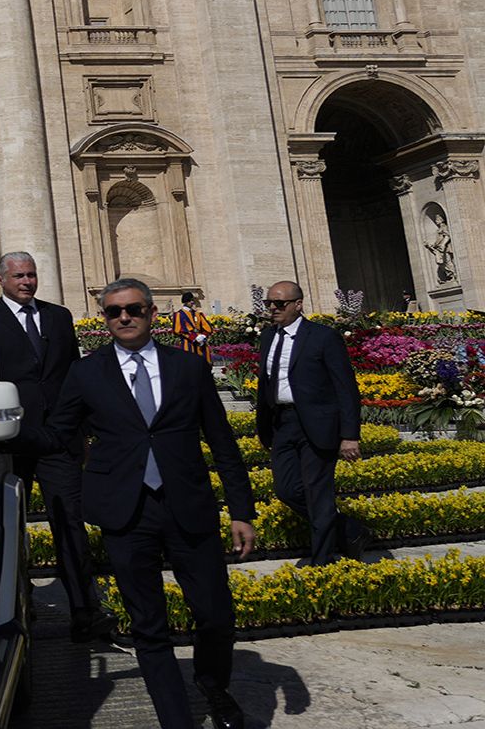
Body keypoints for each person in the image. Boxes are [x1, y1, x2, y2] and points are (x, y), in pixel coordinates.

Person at [45, 278, 257, 729]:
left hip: (187, 505)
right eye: (114, 311)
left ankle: (211, 683)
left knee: (216, 615)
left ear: (151, 314)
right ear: (104, 318)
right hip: (125, 511)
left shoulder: (187, 367)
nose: (123, 317)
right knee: (148, 625)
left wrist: (242, 511)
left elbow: (222, 443)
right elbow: (58, 432)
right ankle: (176, 721)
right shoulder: (86, 373)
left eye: (133, 310)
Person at [0, 252, 111, 643]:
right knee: (8, 527)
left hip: (59, 438)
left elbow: (74, 373)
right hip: (12, 439)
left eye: (31, 275)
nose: (26, 282)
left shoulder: (59, 317)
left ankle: (84, 610)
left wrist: (84, 428)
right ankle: (17, 608)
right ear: (1, 279)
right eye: (19, 276)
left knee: (70, 524)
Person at [256, 280, 370, 566]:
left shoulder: (323, 337)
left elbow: (346, 388)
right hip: (283, 423)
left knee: (317, 493)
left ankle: (322, 560)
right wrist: (264, 426)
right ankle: (350, 530)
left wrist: (350, 435)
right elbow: (265, 384)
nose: (272, 309)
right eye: (269, 303)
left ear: (298, 304)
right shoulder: (268, 337)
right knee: (286, 489)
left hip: (318, 425)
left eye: (279, 304)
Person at [170, 291, 215, 361]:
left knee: (204, 362)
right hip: (188, 343)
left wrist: (203, 335)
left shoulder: (198, 314)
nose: (192, 302)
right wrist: (194, 337)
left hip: (201, 343)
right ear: (185, 302)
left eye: (192, 300)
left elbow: (208, 328)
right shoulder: (179, 314)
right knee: (189, 362)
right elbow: (177, 330)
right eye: (190, 300)